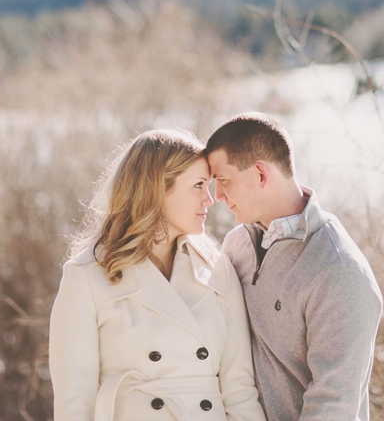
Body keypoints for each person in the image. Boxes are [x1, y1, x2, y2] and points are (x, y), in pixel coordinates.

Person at [49, 129, 266, 421]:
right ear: (157, 188)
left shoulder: (218, 269)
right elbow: (75, 403)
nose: (210, 200)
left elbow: (240, 393)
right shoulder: (86, 275)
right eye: (199, 186)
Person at [206, 113, 383, 421]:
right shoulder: (237, 245)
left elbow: (334, 403)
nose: (217, 196)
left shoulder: (338, 270)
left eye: (223, 181)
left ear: (260, 174)